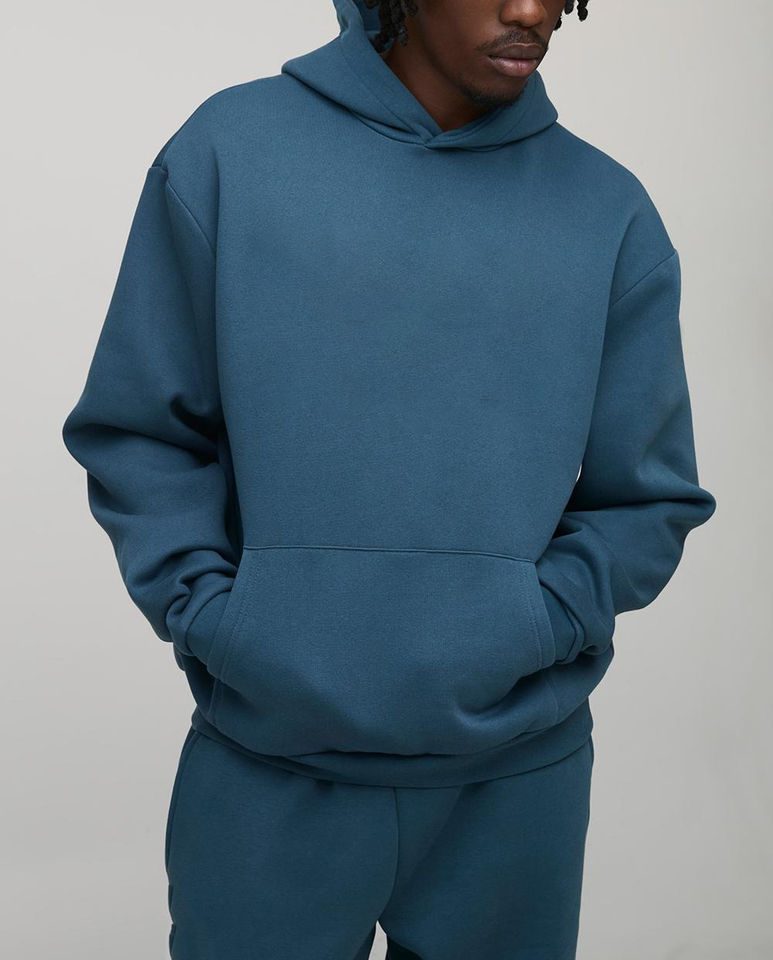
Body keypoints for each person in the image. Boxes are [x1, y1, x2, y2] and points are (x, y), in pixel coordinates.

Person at [61, 1, 717, 957]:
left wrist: (537, 621)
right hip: (270, 765)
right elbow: (139, 429)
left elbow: (647, 497)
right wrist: (220, 617)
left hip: (513, 783)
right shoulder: (229, 153)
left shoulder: (606, 208)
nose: (531, 10)